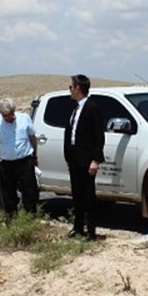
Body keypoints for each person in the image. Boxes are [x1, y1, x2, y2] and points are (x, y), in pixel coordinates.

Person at [63, 74, 105, 241]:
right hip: (74, 158)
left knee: (88, 196)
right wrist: (68, 156)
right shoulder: (74, 109)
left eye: (71, 87)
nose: (70, 90)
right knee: (77, 194)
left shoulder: (92, 107)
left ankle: (91, 230)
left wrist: (95, 160)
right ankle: (78, 227)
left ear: (78, 88)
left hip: (87, 159)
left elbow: (98, 137)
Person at [0, 98, 40, 217]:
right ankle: (11, 221)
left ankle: (30, 219)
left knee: (30, 192)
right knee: (8, 194)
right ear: (2, 114)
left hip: (25, 161)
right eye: (8, 115)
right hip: (7, 164)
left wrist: (34, 155)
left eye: (13, 113)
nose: (11, 117)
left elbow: (33, 137)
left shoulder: (24, 118)